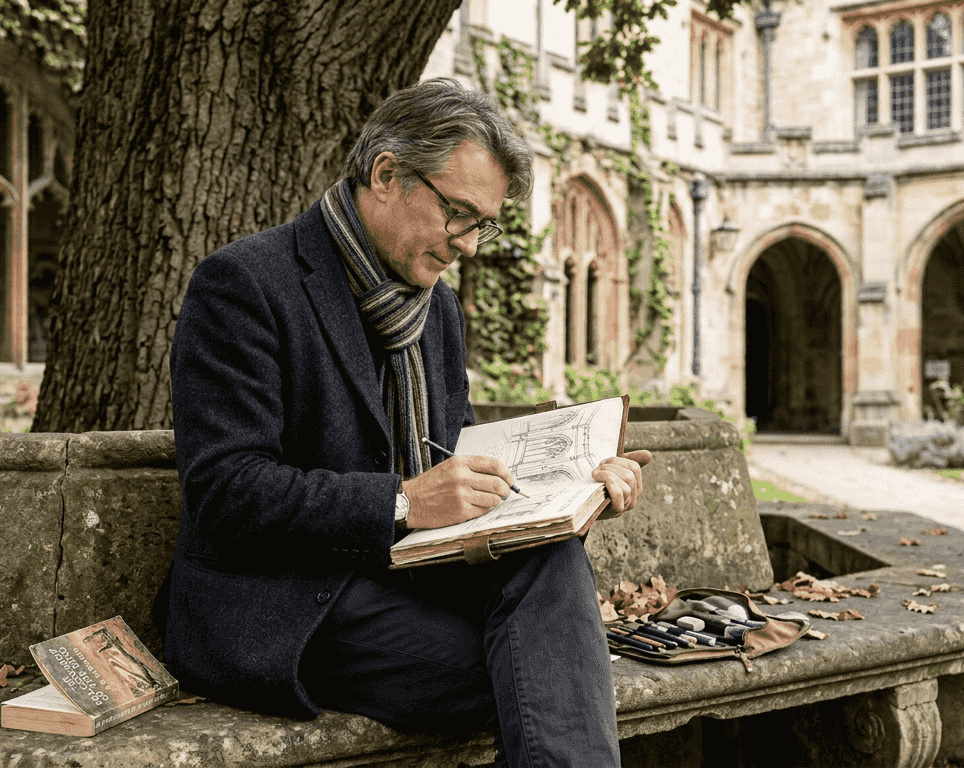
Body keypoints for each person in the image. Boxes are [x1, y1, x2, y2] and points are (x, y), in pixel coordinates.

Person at [153, 77, 651, 767]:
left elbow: (469, 465)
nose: (469, 245)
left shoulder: (437, 311)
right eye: (458, 212)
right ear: (387, 174)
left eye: (484, 224)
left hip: (413, 575)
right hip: (288, 601)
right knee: (540, 679)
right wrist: (401, 501)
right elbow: (227, 491)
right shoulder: (245, 284)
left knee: (552, 573)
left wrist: (573, 487)